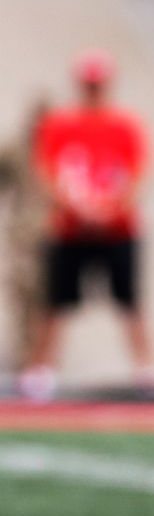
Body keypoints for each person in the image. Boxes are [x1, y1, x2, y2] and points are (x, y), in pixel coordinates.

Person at [20, 51, 154, 400]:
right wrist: (77, 209)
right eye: (89, 85)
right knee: (56, 304)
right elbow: (46, 173)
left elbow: (137, 176)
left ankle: (147, 373)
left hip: (117, 228)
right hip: (70, 228)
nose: (93, 92)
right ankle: (41, 372)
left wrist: (108, 211)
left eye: (98, 85)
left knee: (130, 304)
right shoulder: (61, 125)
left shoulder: (125, 126)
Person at [0, 97, 50, 374]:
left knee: (47, 305)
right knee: (20, 296)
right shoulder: (16, 150)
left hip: (53, 238)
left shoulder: (59, 152)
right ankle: (22, 363)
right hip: (22, 238)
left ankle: (40, 366)